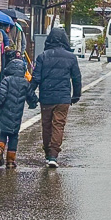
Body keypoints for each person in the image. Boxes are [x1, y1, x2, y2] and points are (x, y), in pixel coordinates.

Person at [27, 27, 81, 168]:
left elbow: (36, 78)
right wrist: (76, 95)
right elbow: (76, 78)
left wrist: (29, 92)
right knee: (58, 125)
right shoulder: (71, 57)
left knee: (46, 125)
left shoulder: (43, 56)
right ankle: (53, 155)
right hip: (63, 98)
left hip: (47, 96)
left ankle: (47, 153)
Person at [0, 51, 37, 168]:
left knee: (2, 132)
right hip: (17, 114)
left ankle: (0, 148)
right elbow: (31, 96)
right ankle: (10, 161)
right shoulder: (25, 83)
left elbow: (1, 95)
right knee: (13, 136)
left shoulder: (6, 80)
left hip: (4, 112)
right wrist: (33, 104)